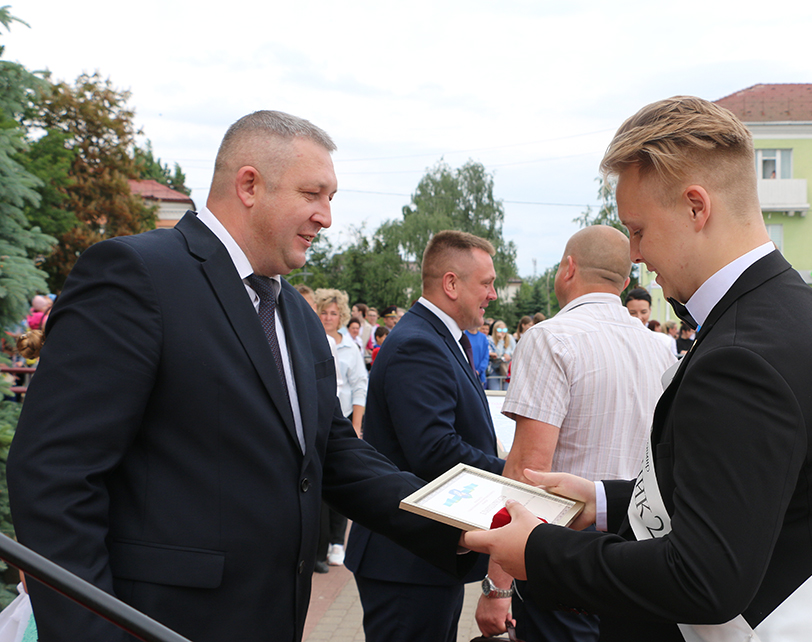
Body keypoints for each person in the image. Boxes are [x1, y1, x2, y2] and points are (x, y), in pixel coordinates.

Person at [6, 111, 474, 642]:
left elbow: (334, 455)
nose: (325, 217)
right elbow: (55, 475)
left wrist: (461, 525)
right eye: (312, 194)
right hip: (158, 623)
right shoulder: (137, 275)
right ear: (249, 185)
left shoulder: (295, 314)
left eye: (331, 198)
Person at [462, 96, 812, 641]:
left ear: (696, 208)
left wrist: (539, 551)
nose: (634, 255)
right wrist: (600, 502)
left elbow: (703, 578)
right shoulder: (779, 304)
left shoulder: (742, 353)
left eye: (638, 229)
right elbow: (735, 495)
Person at [475, 225, 676, 642]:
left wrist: (497, 585)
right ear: (624, 283)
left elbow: (528, 467)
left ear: (568, 268)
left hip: (561, 553)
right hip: (636, 545)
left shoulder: (550, 338)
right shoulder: (659, 347)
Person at [345, 230, 506, 642]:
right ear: (451, 283)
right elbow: (434, 451)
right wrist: (514, 474)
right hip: (405, 559)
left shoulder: (437, 338)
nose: (492, 295)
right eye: (487, 283)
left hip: (423, 557)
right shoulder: (418, 343)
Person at [315, 288, 369, 568]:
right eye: (324, 312)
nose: (328, 317)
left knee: (340, 477)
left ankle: (337, 541)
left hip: (344, 417)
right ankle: (320, 544)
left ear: (342, 317)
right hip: (317, 417)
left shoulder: (350, 347)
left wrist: (356, 425)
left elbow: (360, 385)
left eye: (333, 313)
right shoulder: (310, 337)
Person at [486, 320, 515, 391]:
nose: (502, 332)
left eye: (504, 330)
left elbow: (515, 351)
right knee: (495, 391)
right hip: (495, 369)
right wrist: (501, 340)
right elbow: (498, 354)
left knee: (507, 391)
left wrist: (508, 353)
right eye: (499, 330)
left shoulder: (510, 338)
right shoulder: (490, 339)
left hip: (507, 370)